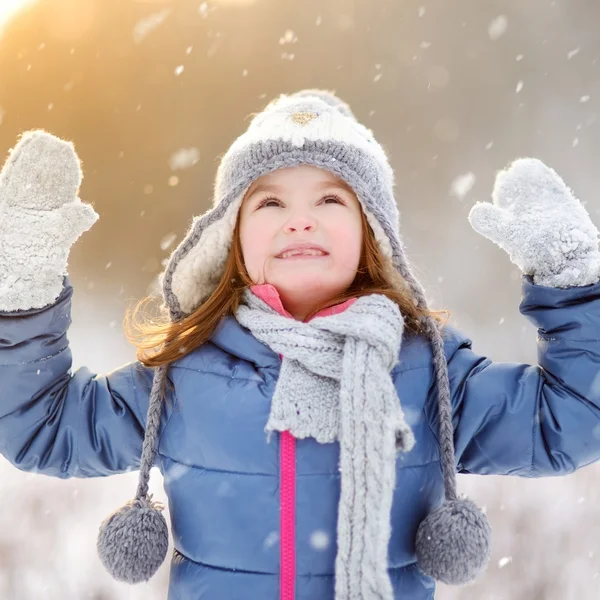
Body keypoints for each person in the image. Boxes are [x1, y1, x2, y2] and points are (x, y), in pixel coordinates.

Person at [1, 89, 600, 600]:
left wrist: (575, 287)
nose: (300, 220)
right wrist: (21, 289)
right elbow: (43, 428)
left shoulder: (428, 372)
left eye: (330, 198)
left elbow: (572, 421)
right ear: (230, 237)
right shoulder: (186, 376)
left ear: (373, 232)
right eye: (270, 202)